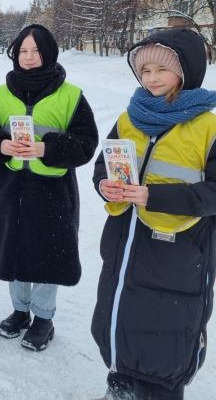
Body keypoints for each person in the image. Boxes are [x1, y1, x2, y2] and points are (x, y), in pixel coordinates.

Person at [92, 29, 216, 400]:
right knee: (118, 318)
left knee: (165, 339)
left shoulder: (209, 126)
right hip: (124, 244)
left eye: (161, 70)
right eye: (144, 71)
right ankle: (121, 381)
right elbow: (103, 165)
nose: (151, 78)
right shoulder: (131, 117)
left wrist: (153, 196)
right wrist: (105, 185)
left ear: (188, 70)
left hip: (177, 255)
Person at [0, 24, 98, 351]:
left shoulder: (70, 95)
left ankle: (43, 318)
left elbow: (87, 144)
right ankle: (19, 311)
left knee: (46, 257)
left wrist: (47, 148)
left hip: (52, 192)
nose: (29, 58)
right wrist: (0, 145)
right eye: (23, 51)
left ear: (49, 54)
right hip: (10, 187)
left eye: (36, 51)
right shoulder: (2, 94)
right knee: (13, 250)